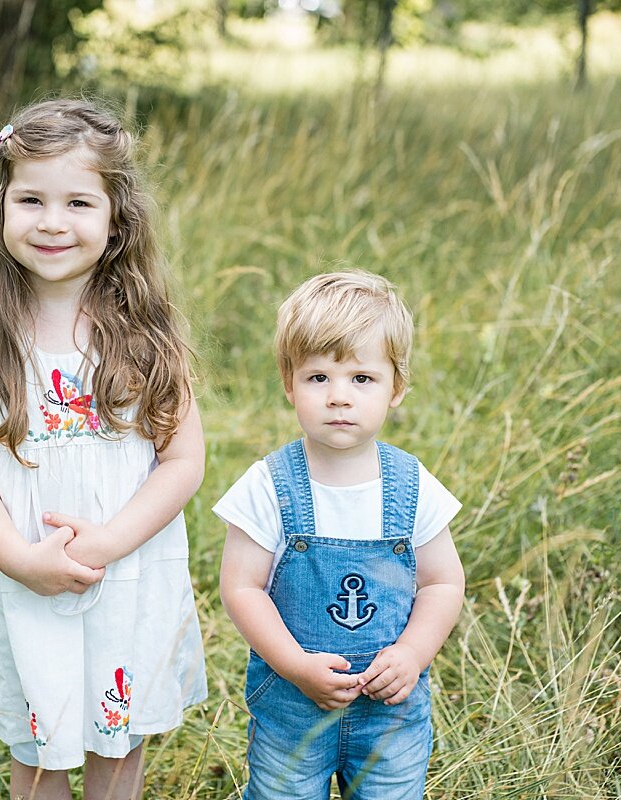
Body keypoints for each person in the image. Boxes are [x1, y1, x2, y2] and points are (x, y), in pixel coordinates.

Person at [0, 98, 207, 800]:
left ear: (118, 219)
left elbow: (182, 462)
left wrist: (108, 541)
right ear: (1, 209)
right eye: (31, 199)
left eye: (78, 202)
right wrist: (20, 557)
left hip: (127, 573)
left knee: (117, 745)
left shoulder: (148, 337)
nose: (52, 222)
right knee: (38, 736)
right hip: (25, 576)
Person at [216, 270, 465, 799]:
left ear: (395, 388)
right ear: (289, 384)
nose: (339, 398)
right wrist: (294, 665)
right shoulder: (268, 485)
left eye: (361, 379)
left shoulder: (413, 486)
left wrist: (413, 655)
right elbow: (241, 588)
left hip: (389, 716)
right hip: (293, 707)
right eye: (318, 377)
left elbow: (443, 583)